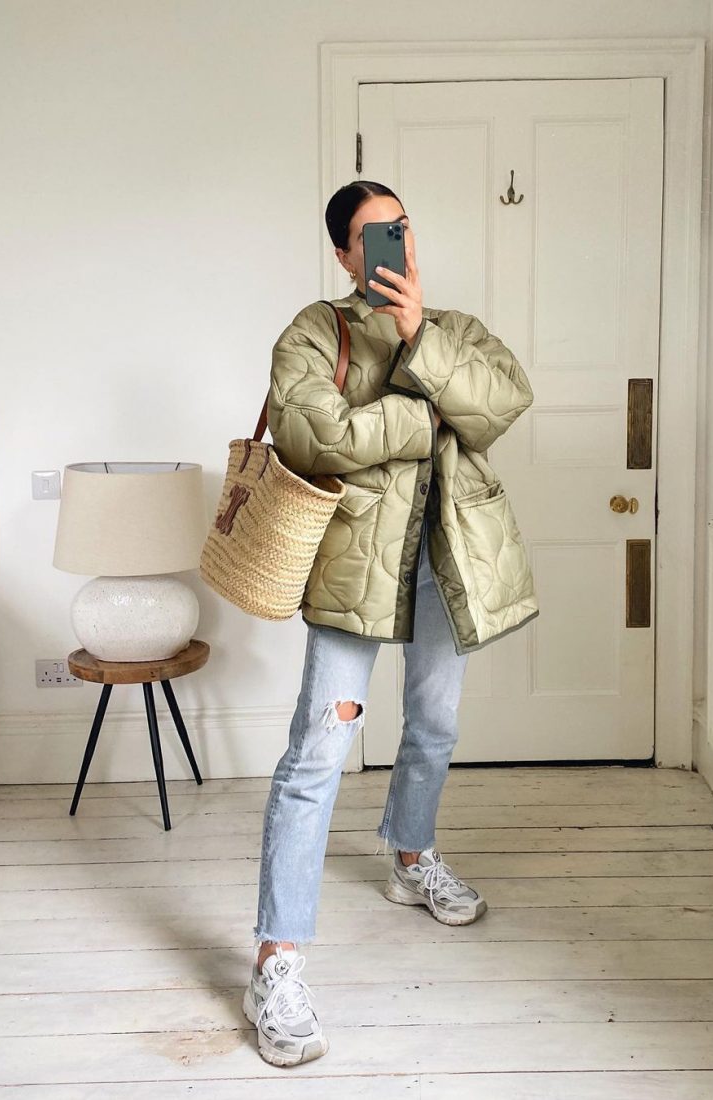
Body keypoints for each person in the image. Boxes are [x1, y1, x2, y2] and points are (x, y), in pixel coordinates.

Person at [241, 180, 539, 1066]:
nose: (397, 246)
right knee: (317, 752)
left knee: (435, 724)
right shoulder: (313, 332)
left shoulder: (453, 329)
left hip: (448, 560)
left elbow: (502, 404)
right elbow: (312, 436)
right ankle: (276, 960)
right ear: (344, 254)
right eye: (375, 236)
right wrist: (425, 414)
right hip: (352, 567)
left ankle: (411, 859)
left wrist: (418, 340)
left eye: (404, 228)